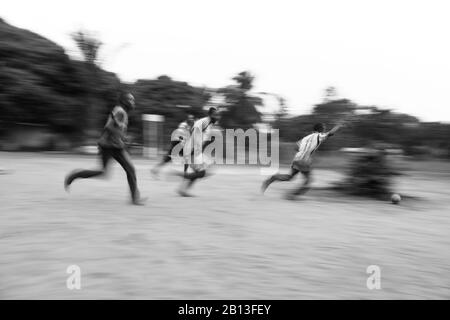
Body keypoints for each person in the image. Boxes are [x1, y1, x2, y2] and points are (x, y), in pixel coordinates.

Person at [64, 92, 146, 205]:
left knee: (130, 170)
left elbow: (116, 128)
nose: (133, 103)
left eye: (133, 100)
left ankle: (135, 199)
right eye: (131, 100)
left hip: (117, 146)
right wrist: (121, 134)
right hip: (107, 146)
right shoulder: (120, 111)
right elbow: (108, 126)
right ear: (124, 101)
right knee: (103, 172)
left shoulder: (121, 111)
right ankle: (75, 174)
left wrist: (123, 137)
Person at [261, 122, 344, 200]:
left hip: (297, 159)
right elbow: (331, 133)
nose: (324, 130)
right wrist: (338, 126)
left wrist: (303, 152)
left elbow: (296, 146)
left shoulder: (306, 137)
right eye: (324, 129)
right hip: (304, 161)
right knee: (308, 182)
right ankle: (292, 195)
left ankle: (274, 177)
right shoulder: (319, 136)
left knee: (290, 177)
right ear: (321, 130)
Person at [177, 107, 220, 197]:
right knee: (202, 172)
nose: (217, 117)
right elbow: (193, 131)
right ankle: (180, 175)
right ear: (210, 115)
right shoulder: (204, 121)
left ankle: (183, 190)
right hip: (193, 150)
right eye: (215, 115)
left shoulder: (208, 124)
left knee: (200, 172)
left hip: (195, 150)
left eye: (218, 115)